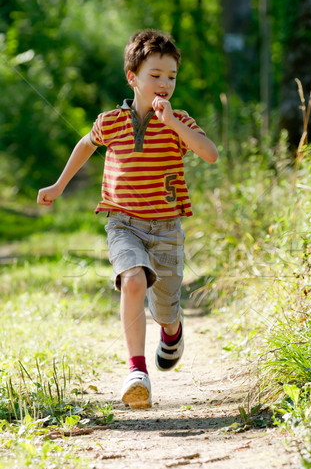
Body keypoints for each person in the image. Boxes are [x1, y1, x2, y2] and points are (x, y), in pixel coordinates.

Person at [37, 29, 218, 410]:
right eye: (156, 75)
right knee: (133, 280)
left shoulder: (179, 121)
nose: (165, 84)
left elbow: (210, 153)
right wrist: (58, 185)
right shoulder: (111, 121)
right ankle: (138, 373)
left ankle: (172, 330)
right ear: (133, 78)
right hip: (122, 223)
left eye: (171, 76)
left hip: (166, 228)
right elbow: (85, 144)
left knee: (164, 306)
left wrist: (174, 125)